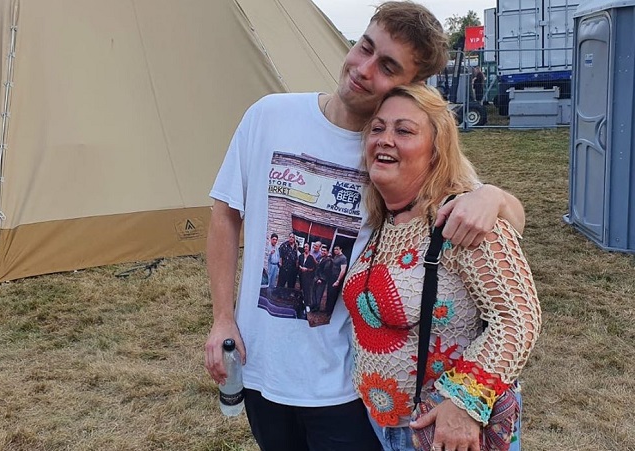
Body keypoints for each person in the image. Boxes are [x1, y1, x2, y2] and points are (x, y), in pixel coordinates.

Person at [204, 2, 527, 450]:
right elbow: (225, 214)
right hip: (261, 372)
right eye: (365, 47)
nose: (363, 68)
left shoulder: (398, 146)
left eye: (388, 66)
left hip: (347, 388)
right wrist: (222, 318)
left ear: (410, 86)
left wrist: (491, 195)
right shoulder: (268, 116)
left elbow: (503, 215)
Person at [342, 83, 541, 451]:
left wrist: (464, 404)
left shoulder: (463, 217)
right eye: (378, 128)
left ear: (436, 150)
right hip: (381, 426)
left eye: (403, 130)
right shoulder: (379, 221)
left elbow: (519, 319)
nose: (385, 139)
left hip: (446, 433)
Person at [324, 245, 348, 315]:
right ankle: (326, 309)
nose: (335, 250)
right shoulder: (336, 256)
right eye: (334, 249)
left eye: (337, 249)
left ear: (341, 249)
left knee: (332, 295)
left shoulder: (343, 258)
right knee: (328, 293)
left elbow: (343, 270)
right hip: (331, 277)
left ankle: (330, 311)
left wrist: (338, 281)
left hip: (336, 277)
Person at [313, 245, 333, 313]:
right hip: (317, 278)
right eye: (322, 250)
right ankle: (314, 306)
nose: (322, 252)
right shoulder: (321, 258)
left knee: (318, 294)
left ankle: (317, 308)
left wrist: (321, 279)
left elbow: (326, 271)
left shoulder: (328, 260)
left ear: (327, 252)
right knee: (314, 293)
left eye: (324, 251)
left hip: (321, 280)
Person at [298, 243, 317, 311]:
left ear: (309, 248)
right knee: (301, 289)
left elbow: (313, 268)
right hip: (301, 275)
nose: (305, 248)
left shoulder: (311, 257)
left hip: (308, 276)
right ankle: (301, 301)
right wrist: (300, 267)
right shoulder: (301, 256)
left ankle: (307, 304)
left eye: (307, 247)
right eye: (304, 247)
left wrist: (307, 269)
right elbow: (298, 264)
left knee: (307, 290)